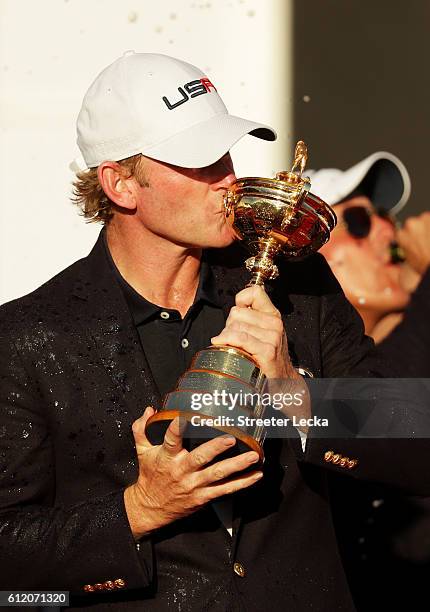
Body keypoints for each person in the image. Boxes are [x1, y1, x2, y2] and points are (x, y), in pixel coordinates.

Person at [0, 52, 429, 611]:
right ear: (122, 185)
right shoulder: (29, 337)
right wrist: (140, 508)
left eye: (225, 152)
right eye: (198, 161)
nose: (228, 177)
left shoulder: (295, 284)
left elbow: (415, 444)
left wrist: (298, 399)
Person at [308, 156, 430, 611]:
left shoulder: (405, 343)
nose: (387, 231)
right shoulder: (289, 367)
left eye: (386, 217)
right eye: (358, 221)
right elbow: (391, 416)